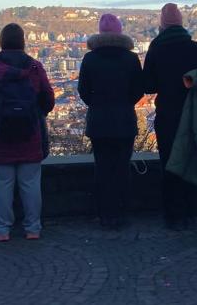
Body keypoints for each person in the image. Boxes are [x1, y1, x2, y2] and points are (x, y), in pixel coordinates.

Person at [0, 23, 55, 242]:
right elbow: (48, 99)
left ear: (1, 41)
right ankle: (33, 228)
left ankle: (2, 230)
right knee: (30, 184)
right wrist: (35, 114)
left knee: (2, 184)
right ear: (23, 41)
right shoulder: (35, 67)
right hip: (31, 134)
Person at [143, 3, 197, 230]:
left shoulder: (156, 48)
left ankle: (173, 214)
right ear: (181, 22)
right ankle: (191, 212)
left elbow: (149, 85)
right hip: (193, 113)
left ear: (162, 24)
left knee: (170, 164)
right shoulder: (196, 48)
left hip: (168, 115)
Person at [78, 14, 144, 230]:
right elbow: (137, 90)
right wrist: (125, 103)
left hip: (99, 122)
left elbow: (83, 91)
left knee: (103, 168)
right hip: (124, 120)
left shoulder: (90, 59)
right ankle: (122, 211)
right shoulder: (130, 58)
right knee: (122, 168)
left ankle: (105, 213)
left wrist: (97, 103)